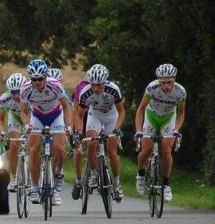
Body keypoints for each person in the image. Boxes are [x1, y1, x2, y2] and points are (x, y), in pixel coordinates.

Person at [20, 60, 72, 206]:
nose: (37, 82)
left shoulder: (55, 85)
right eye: (34, 79)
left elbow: (67, 107)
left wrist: (68, 126)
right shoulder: (25, 89)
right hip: (37, 117)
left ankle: (58, 173)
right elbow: (24, 111)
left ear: (45, 76)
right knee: (34, 149)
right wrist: (27, 124)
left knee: (60, 148)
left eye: (40, 79)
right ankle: (35, 188)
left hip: (56, 116)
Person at [134, 63, 186, 202]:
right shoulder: (152, 88)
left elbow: (181, 113)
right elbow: (140, 109)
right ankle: (140, 175)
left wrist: (176, 130)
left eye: (169, 82)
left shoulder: (180, 92)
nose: (166, 86)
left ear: (174, 79)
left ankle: (166, 185)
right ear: (159, 81)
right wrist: (139, 131)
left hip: (168, 118)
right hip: (151, 117)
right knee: (146, 150)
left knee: (167, 151)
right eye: (163, 83)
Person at [75, 64, 126, 202]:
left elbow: (121, 112)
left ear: (105, 82)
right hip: (95, 115)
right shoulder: (85, 92)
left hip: (111, 116)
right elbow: (79, 116)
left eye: (99, 85)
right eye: (93, 85)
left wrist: (117, 129)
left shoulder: (114, 89)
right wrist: (79, 131)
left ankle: (116, 183)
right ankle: (94, 173)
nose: (96, 88)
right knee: (92, 143)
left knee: (112, 152)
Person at [0, 73, 28, 192]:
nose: (16, 95)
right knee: (13, 144)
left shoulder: (30, 94)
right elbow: (0, 119)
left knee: (34, 144)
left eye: (18, 92)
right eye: (13, 92)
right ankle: (13, 178)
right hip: (15, 118)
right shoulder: (4, 99)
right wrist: (1, 132)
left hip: (31, 116)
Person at [70, 74, 90, 200]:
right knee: (79, 149)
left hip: (97, 114)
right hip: (81, 115)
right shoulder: (81, 88)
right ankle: (78, 181)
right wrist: (74, 131)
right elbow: (75, 112)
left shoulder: (107, 88)